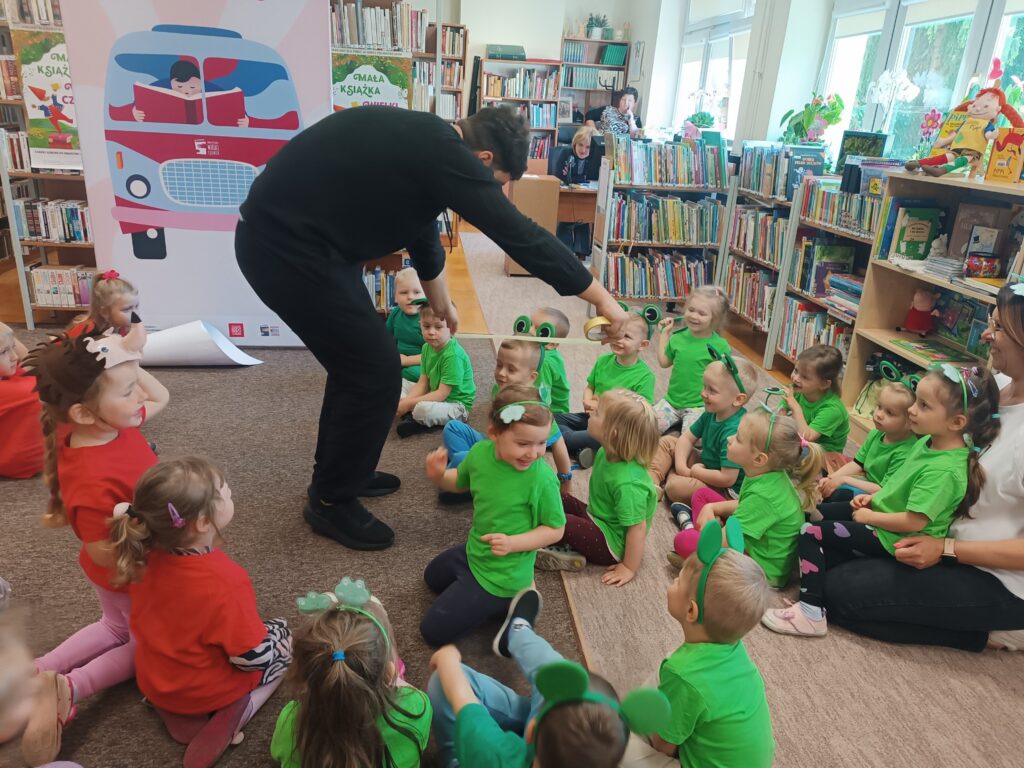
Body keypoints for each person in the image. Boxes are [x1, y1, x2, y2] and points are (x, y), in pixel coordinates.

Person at [236, 104, 630, 552]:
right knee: (372, 370)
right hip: (284, 249)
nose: (489, 192)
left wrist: (440, 302)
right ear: (483, 159)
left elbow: (421, 226)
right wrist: (603, 300)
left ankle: (345, 472)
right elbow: (519, 234)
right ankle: (330, 499)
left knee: (361, 367)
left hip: (308, 245)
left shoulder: (429, 143)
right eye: (494, 183)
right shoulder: (440, 150)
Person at [823, 284, 1024, 652]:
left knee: (838, 594)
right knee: (826, 542)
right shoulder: (992, 388)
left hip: (994, 577)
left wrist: (946, 548)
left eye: (998, 328)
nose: (985, 334)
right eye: (990, 322)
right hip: (935, 531)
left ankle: (988, 633)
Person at [20, 319, 169, 766]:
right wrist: (158, 561)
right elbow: (104, 549)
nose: (140, 397)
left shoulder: (108, 423)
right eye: (127, 391)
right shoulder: (91, 479)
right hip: (127, 570)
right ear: (85, 412)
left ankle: (37, 672)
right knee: (147, 644)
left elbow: (160, 396)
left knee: (114, 628)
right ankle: (71, 687)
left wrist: (127, 360)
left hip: (120, 568)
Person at [764, 364, 1001, 638]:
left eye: (924, 406)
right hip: (882, 514)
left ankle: (810, 613)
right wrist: (874, 497)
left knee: (811, 532)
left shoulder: (945, 470)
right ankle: (797, 571)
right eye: (916, 401)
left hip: (895, 537)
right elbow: (899, 488)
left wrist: (870, 516)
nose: (912, 410)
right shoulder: (928, 442)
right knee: (814, 512)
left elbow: (914, 521)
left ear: (956, 423)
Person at [109, 457, 291, 766]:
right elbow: (252, 658)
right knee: (285, 642)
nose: (230, 492)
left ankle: (174, 712)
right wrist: (276, 642)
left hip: (155, 679)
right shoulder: (225, 581)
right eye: (225, 491)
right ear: (204, 523)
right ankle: (236, 712)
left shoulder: (140, 555)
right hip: (204, 690)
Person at [427, 587, 643, 768]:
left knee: (442, 682)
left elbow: (463, 701)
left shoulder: (495, 756)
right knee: (561, 677)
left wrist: (447, 659)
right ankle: (518, 632)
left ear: (531, 732)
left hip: (487, 754)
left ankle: (453, 759)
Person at [421, 385, 565, 646]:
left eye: (542, 443)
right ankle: (507, 600)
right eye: (523, 444)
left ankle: (514, 602)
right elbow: (460, 482)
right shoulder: (479, 454)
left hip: (504, 575)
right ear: (494, 434)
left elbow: (555, 529)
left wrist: (513, 543)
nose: (534, 453)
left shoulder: (542, 479)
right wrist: (439, 476)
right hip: (477, 550)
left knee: (432, 632)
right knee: (431, 577)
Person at [624, 519, 773, 768]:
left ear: (691, 611)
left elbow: (663, 745)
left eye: (678, 580)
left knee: (614, 744)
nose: (673, 582)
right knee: (668, 670)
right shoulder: (732, 649)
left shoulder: (684, 674)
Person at [271, 582, 430, 768]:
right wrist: (395, 678)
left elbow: (277, 754)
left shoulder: (291, 721)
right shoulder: (416, 709)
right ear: (388, 673)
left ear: (303, 674)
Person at [670, 406, 824, 589]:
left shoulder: (764, 496)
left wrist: (706, 539)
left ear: (759, 459)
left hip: (757, 570)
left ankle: (696, 544)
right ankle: (703, 530)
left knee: (683, 540)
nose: (729, 438)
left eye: (738, 438)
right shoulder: (764, 473)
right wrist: (711, 508)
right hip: (747, 537)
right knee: (702, 496)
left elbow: (727, 539)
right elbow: (744, 504)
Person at [538, 389, 658, 587]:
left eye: (598, 412)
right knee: (557, 497)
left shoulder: (628, 484)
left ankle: (550, 545)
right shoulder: (606, 451)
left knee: (563, 521)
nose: (591, 412)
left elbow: (637, 528)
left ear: (613, 433)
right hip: (597, 516)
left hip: (610, 545)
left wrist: (628, 567)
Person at [440, 339, 573, 502]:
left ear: (531, 377)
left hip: (510, 461)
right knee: (453, 428)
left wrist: (566, 480)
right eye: (499, 365)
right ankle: (474, 477)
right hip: (495, 444)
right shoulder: (499, 389)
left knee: (462, 458)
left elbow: (558, 442)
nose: (501, 373)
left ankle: (471, 480)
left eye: (511, 369)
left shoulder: (534, 408)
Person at [649, 350, 757, 504]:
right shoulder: (712, 412)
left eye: (712, 390)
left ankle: (669, 478)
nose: (703, 394)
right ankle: (652, 481)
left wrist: (695, 472)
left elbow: (727, 479)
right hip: (705, 466)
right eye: (704, 387)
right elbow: (687, 438)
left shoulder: (735, 431)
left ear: (738, 399)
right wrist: (682, 467)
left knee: (675, 488)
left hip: (723, 489)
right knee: (667, 442)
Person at [555, 314, 654, 461]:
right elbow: (590, 387)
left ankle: (572, 445)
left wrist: (604, 409)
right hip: (592, 417)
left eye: (626, 336)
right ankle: (582, 449)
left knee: (564, 436)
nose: (618, 339)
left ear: (642, 345)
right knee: (553, 419)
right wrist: (587, 401)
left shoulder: (645, 376)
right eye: (616, 334)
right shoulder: (603, 361)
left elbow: (641, 413)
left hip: (614, 429)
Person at [816, 380, 916, 520]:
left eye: (890, 413)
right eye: (879, 406)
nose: (879, 414)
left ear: (909, 422)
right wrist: (831, 479)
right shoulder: (876, 433)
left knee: (838, 495)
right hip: (865, 480)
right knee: (824, 479)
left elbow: (884, 490)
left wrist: (843, 480)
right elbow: (858, 463)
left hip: (880, 494)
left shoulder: (905, 452)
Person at [653, 286, 731, 434]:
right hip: (671, 403)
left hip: (699, 406)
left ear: (715, 319)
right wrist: (665, 334)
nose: (694, 316)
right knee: (644, 427)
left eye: (702, 313)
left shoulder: (720, 346)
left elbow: (725, 380)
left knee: (693, 439)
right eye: (691, 310)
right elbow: (664, 362)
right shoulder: (677, 338)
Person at [395, 303, 475, 438]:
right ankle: (412, 413)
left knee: (422, 409)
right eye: (426, 326)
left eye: (438, 327)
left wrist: (408, 404)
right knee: (398, 384)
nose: (431, 332)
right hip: (434, 393)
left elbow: (442, 394)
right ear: (420, 325)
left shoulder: (453, 356)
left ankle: (415, 417)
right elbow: (423, 383)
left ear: (451, 328)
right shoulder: (426, 347)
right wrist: (406, 402)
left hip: (456, 405)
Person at [784, 344, 850, 470]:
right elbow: (779, 414)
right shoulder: (799, 390)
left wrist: (795, 407)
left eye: (804, 377)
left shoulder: (833, 409)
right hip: (802, 444)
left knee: (788, 452)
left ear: (824, 384)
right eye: (796, 371)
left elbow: (807, 437)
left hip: (825, 457)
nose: (795, 378)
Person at [0, 322, 43, 479]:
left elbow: (28, 358)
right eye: (3, 352)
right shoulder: (14, 391)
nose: (14, 357)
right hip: (15, 462)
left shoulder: (7, 371)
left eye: (13, 348)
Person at [66, 270, 139, 339]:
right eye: (127, 309)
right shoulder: (86, 329)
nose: (135, 313)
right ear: (105, 312)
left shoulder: (122, 327)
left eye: (136, 306)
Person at [387, 268, 426, 394]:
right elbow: (385, 339)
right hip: (398, 359)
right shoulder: (395, 313)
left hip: (423, 363)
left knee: (414, 373)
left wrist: (406, 361)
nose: (410, 297)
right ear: (395, 296)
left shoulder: (428, 319)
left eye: (417, 292)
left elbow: (436, 354)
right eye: (403, 292)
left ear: (426, 294)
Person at [532, 307, 571, 414]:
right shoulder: (540, 352)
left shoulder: (543, 362)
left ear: (551, 344)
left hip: (553, 414)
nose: (529, 330)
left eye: (539, 330)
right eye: (530, 324)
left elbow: (541, 399)